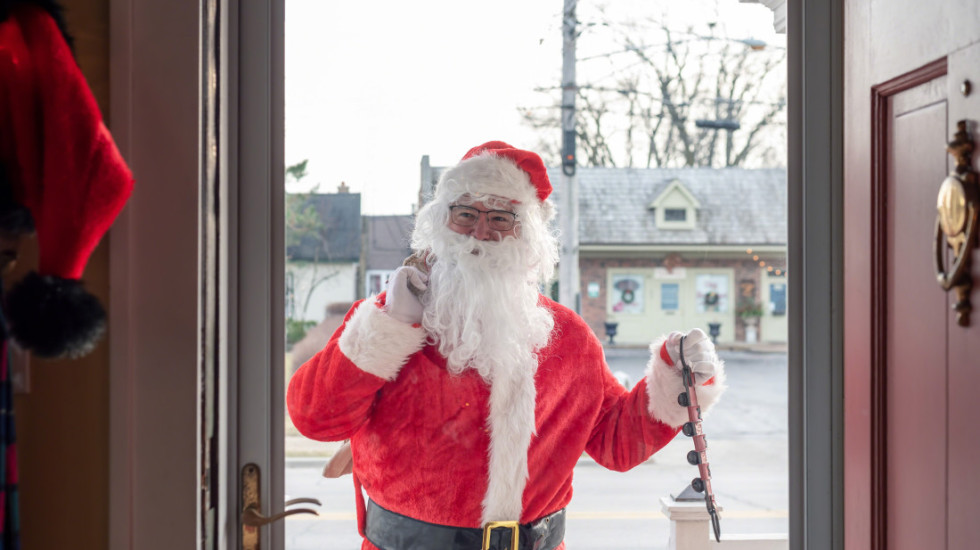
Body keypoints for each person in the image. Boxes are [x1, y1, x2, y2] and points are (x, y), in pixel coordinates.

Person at [287, 141, 726, 550]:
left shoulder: (569, 338)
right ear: (441, 222)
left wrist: (675, 376)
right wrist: (390, 325)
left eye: (501, 218)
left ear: (527, 234)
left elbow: (618, 443)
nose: (481, 231)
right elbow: (315, 418)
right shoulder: (389, 321)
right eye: (466, 213)